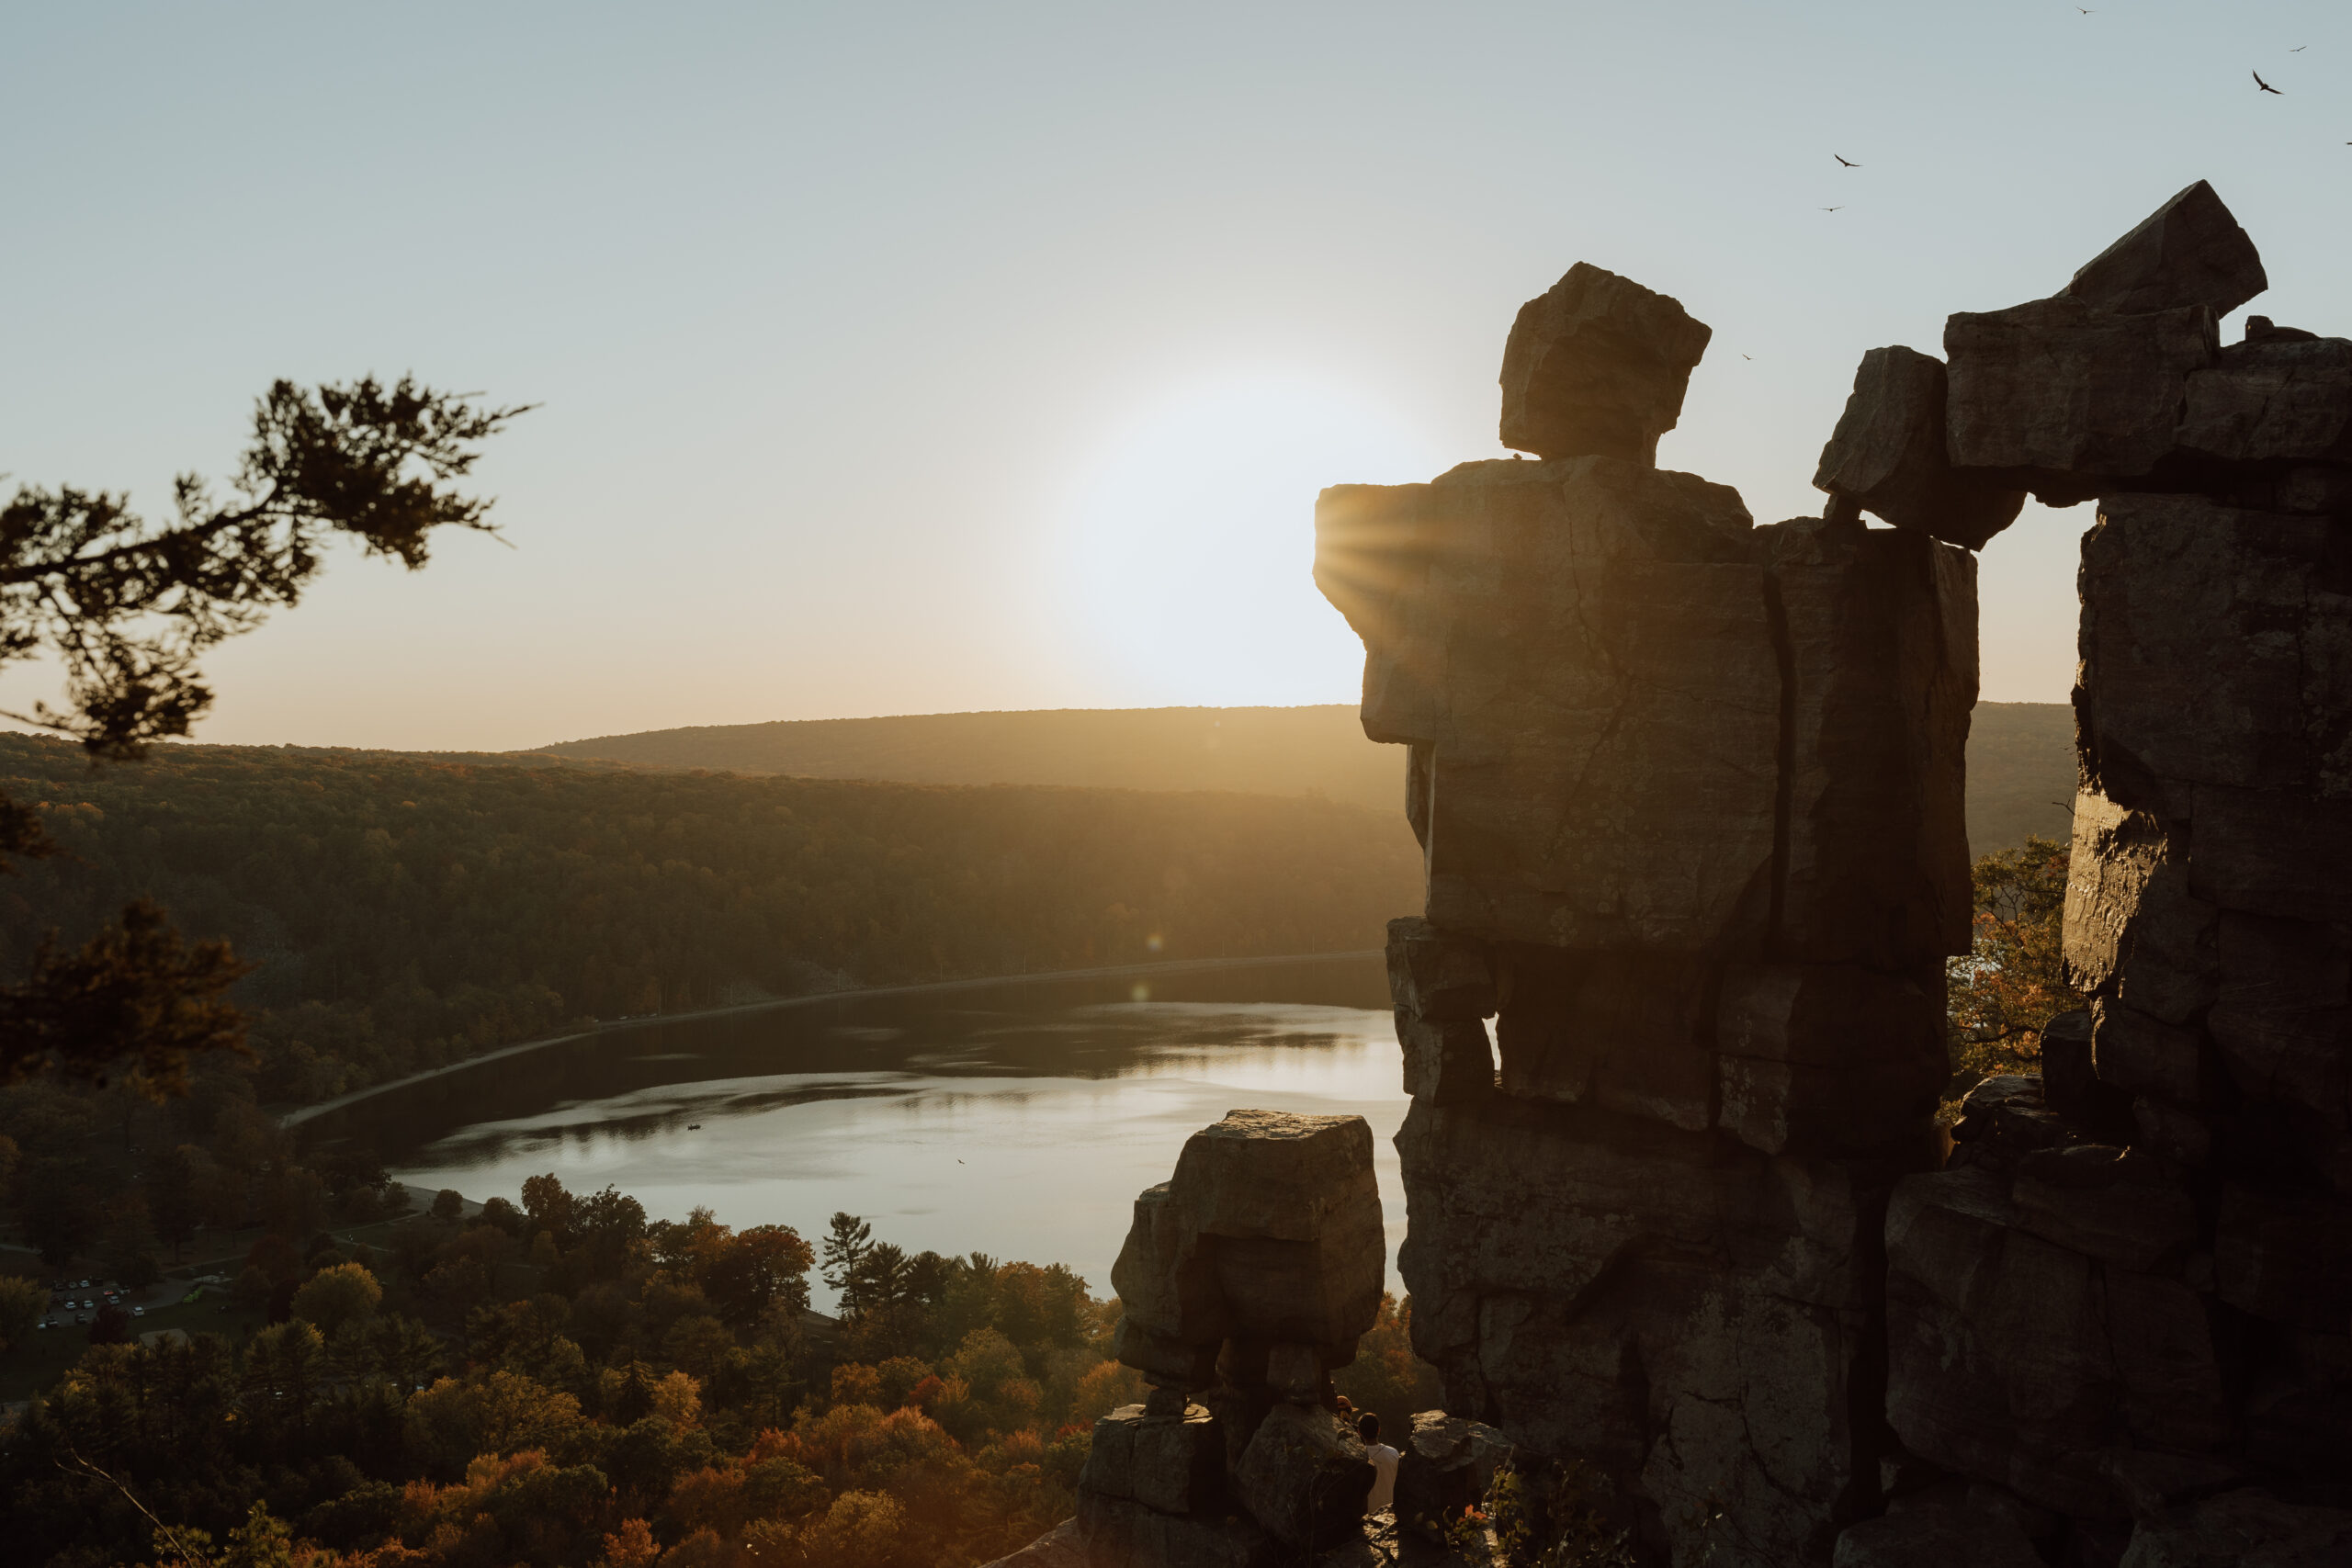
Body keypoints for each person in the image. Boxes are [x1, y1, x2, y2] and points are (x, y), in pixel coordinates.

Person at [1360, 1411, 1400, 1516]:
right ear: (1378, 1430)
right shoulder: (1394, 1453)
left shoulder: (1357, 1457)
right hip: (1390, 1513)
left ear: (1359, 1432)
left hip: (1367, 1516)